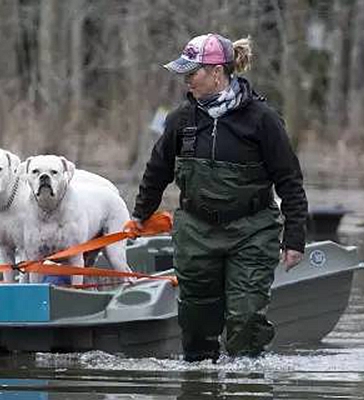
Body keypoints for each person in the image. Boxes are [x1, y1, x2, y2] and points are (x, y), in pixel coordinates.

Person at [125, 33, 308, 361]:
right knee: (197, 325)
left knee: (245, 320)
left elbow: (290, 181)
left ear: (217, 73)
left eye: (191, 73)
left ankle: (246, 381)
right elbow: (157, 171)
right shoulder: (181, 119)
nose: (187, 81)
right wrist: (139, 216)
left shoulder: (263, 119)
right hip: (196, 232)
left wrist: (294, 239)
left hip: (252, 231)